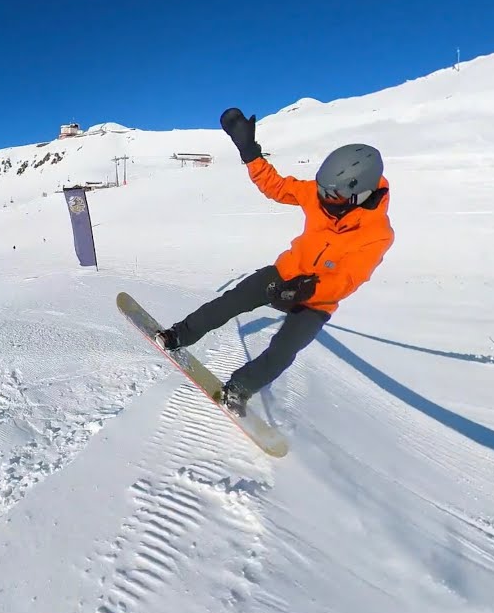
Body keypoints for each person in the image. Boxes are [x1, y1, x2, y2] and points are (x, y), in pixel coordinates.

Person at [155, 107, 395, 417]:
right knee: (231, 302)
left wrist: (306, 291)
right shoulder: (319, 195)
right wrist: (250, 152)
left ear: (359, 194)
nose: (323, 199)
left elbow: (347, 281)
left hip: (316, 301)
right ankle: (179, 334)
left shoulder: (377, 234)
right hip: (285, 272)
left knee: (284, 350)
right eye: (322, 190)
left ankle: (240, 388)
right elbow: (277, 187)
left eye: (332, 195)